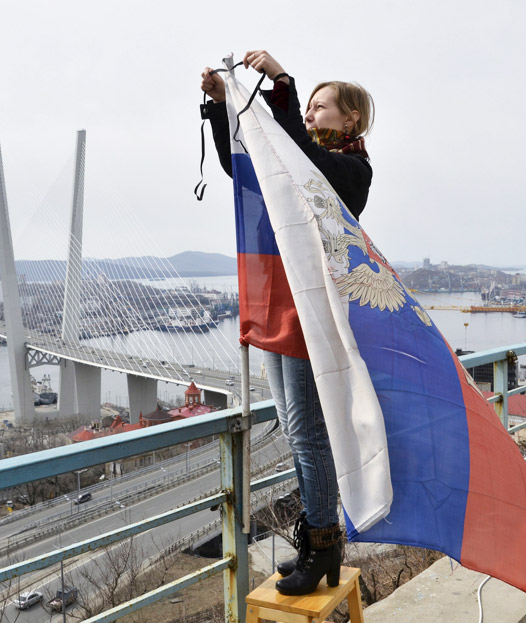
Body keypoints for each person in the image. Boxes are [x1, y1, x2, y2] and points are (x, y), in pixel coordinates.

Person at [199, 50, 374, 596]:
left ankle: (323, 545)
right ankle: (314, 542)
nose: (310, 113)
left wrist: (281, 80)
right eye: (309, 105)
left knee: (306, 433)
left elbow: (295, 149)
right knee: (297, 432)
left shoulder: (351, 170)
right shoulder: (293, 161)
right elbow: (242, 169)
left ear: (350, 120)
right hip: (274, 302)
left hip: (305, 309)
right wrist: (220, 107)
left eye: (321, 106)